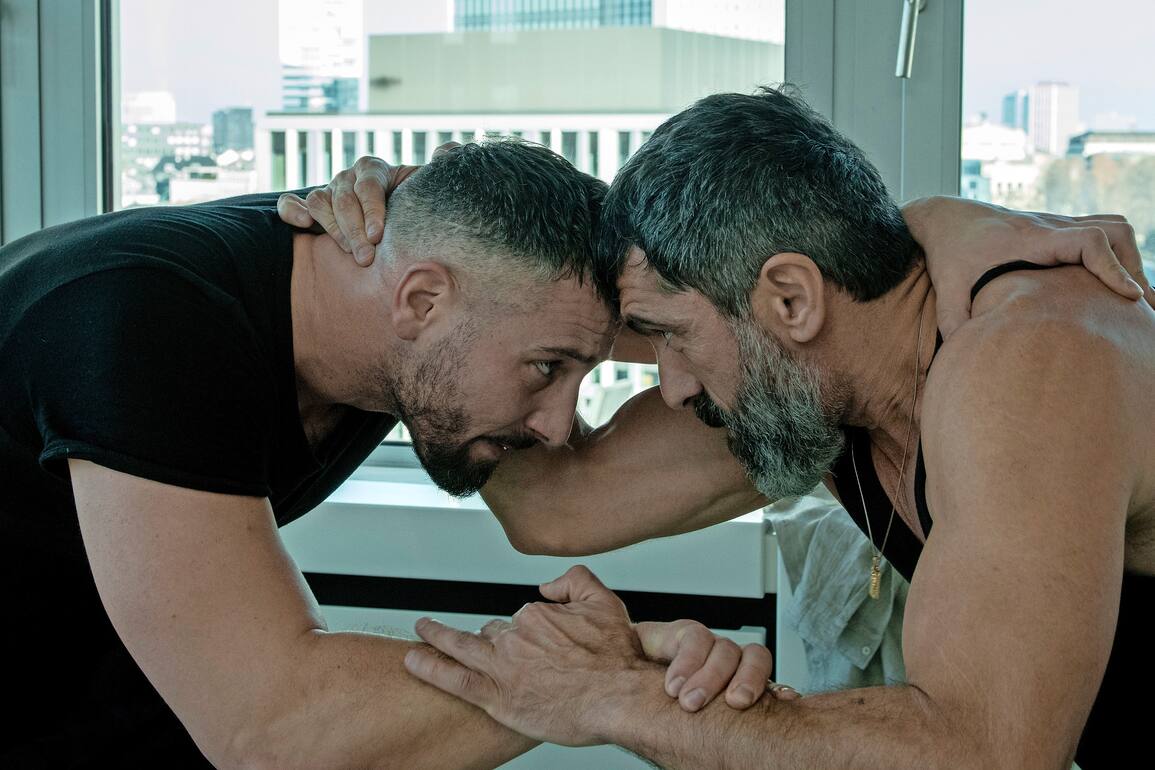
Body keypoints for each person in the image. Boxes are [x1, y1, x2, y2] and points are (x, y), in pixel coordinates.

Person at [302, 90, 1153, 768]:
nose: (670, 386)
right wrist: (439, 279)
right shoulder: (819, 377)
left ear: (790, 299)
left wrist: (612, 695)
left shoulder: (1030, 364)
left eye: (670, 337)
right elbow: (554, 505)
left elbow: (987, 753)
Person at [1, 140, 772, 769]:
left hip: (114, 676)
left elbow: (679, 336)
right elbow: (275, 727)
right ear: (421, 301)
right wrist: (603, 680)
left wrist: (831, 349)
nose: (558, 426)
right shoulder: (149, 324)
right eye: (546, 369)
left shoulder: (391, 280)